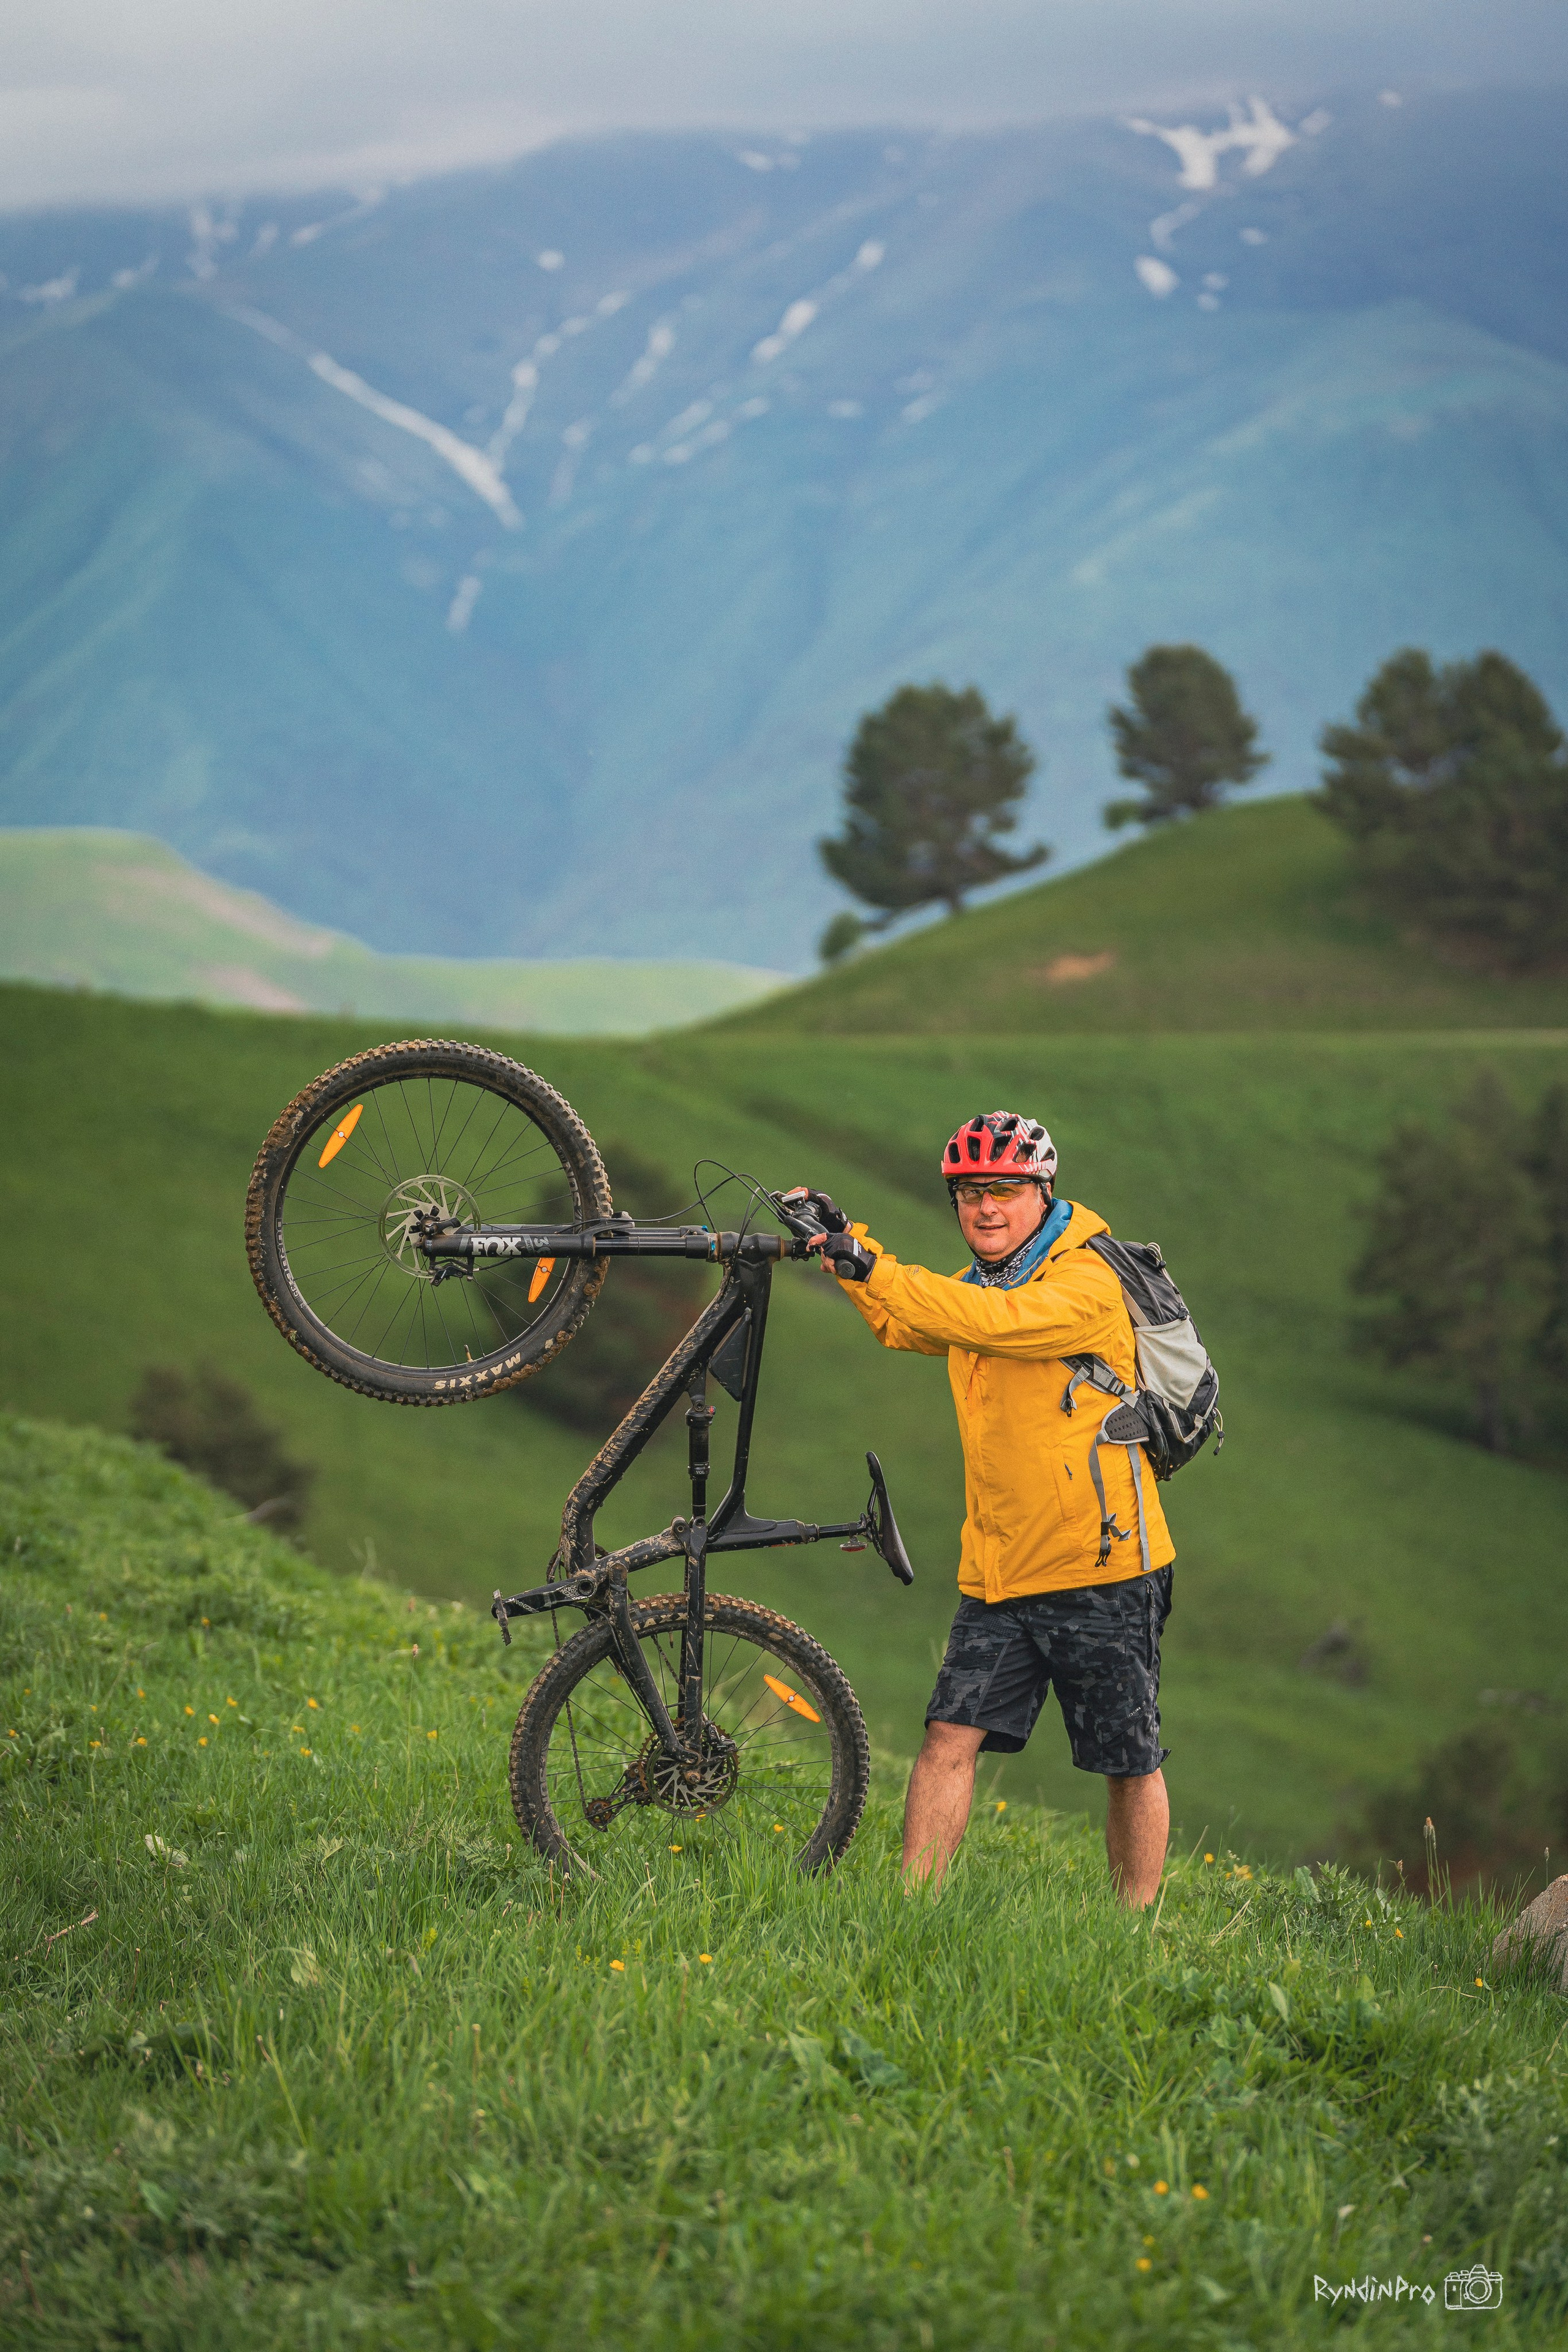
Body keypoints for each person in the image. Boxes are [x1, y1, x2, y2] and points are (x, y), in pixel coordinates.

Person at [805, 1112, 1175, 1905]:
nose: (986, 1209)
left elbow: (988, 1326)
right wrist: (845, 1248)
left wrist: (875, 1265)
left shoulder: (1085, 1285)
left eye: (1005, 1190)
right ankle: (914, 1912)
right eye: (970, 1194)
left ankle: (1134, 1930)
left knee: (1129, 1760)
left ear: (1044, 1194)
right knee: (948, 1737)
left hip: (1102, 1566)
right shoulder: (985, 1285)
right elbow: (912, 1322)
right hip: (1000, 1570)